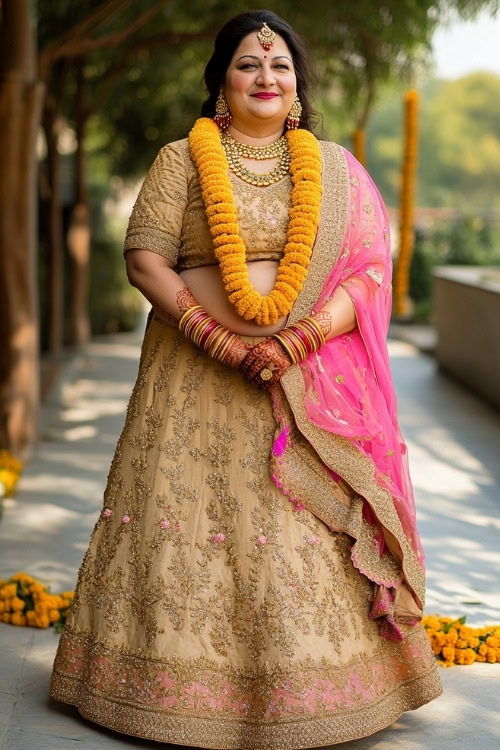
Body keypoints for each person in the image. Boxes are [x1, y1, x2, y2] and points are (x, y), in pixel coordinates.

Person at [50, 9, 442, 748]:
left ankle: (320, 695)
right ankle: (157, 692)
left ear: (296, 85)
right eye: (248, 64)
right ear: (220, 82)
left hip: (304, 382)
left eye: (280, 65)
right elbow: (146, 259)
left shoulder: (330, 169)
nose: (266, 76)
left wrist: (301, 337)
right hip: (190, 379)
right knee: (192, 527)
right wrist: (218, 338)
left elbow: (367, 269)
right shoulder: (181, 159)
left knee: (300, 527)